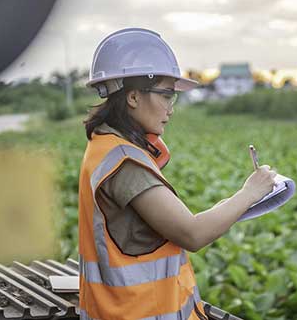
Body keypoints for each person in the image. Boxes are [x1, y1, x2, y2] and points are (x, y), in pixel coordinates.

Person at [78, 28, 276, 320]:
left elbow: (178, 222)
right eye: (166, 94)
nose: (171, 108)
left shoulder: (106, 146)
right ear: (133, 97)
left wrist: (237, 201)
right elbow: (192, 233)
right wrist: (250, 193)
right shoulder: (125, 163)